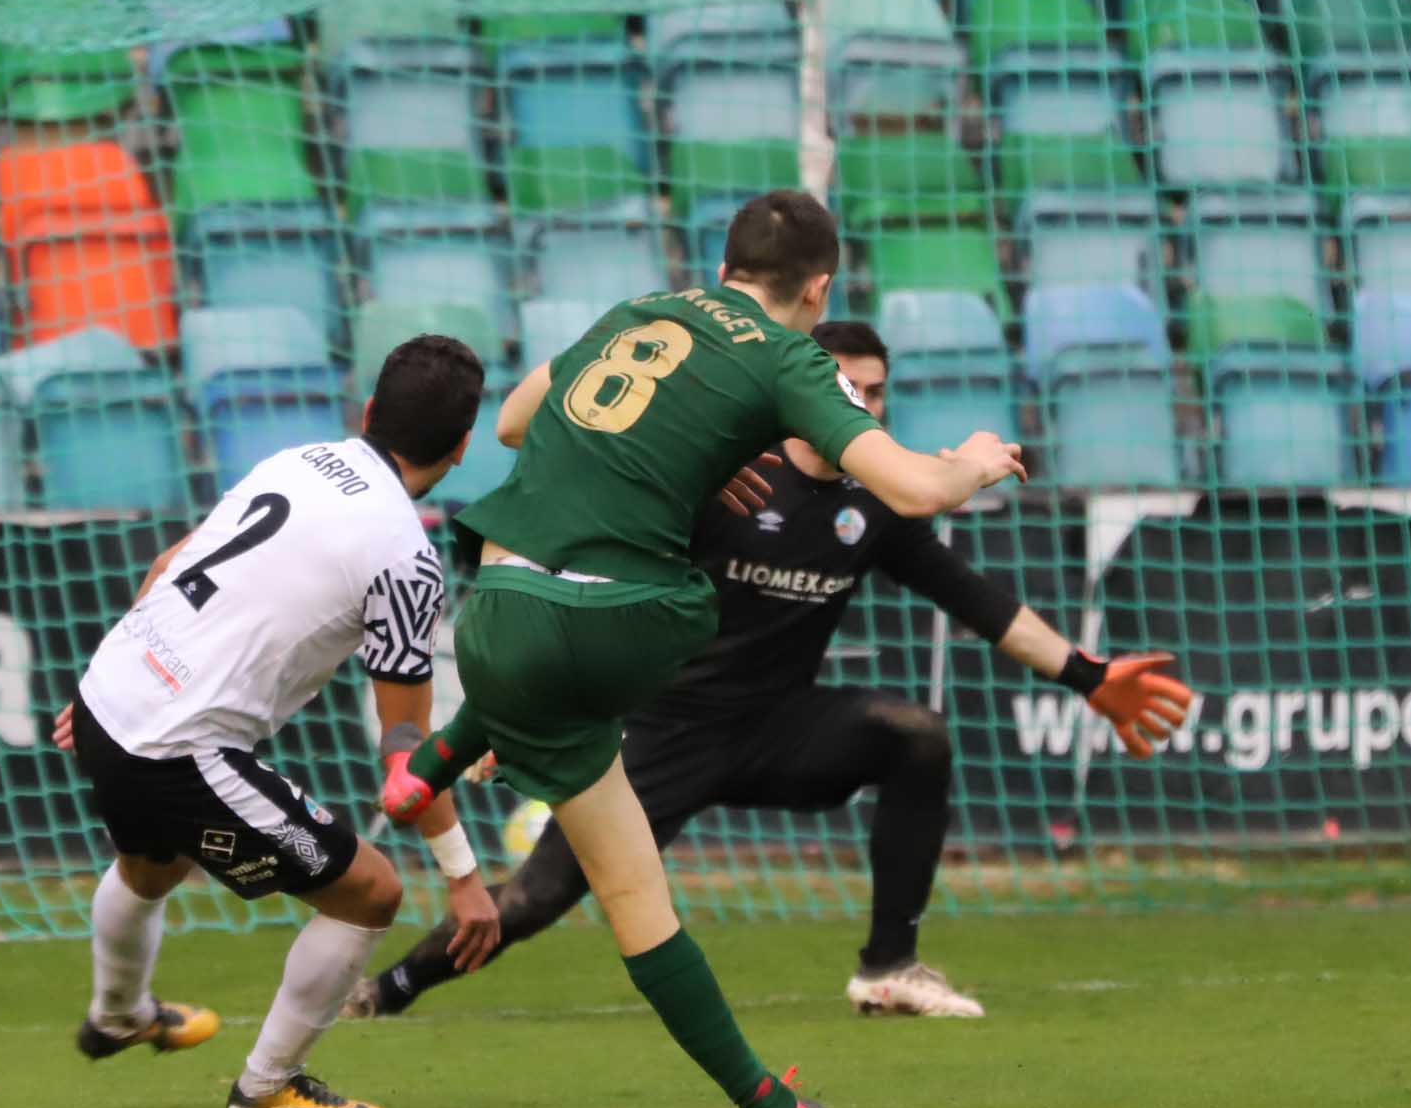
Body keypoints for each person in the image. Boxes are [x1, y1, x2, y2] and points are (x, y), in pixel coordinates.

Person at [380, 189, 1027, 1108]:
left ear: (723, 269)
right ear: (819, 289)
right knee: (642, 884)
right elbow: (918, 489)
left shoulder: (639, 310)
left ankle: (432, 762)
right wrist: (973, 459)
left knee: (562, 713)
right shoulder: (788, 358)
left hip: (499, 613)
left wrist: (677, 456)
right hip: (620, 625)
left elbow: (517, 422)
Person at [352, 318, 1188, 1023]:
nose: (864, 404)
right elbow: (598, 581)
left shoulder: (878, 503)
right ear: (810, 391)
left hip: (780, 728)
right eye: (848, 387)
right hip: (662, 732)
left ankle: (888, 967)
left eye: (879, 391)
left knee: (916, 738)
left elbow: (976, 602)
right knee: (533, 902)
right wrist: (539, 714)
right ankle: (386, 992)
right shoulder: (728, 480)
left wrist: (1088, 675)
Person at [59, 333, 501, 1108]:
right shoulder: (406, 558)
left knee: (151, 865)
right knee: (371, 892)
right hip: (178, 749)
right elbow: (406, 755)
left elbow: (169, 563)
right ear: (463, 447)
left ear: (369, 410)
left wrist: (117, 674)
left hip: (109, 693)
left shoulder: (294, 461)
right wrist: (465, 881)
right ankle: (267, 1087)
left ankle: (118, 1015)